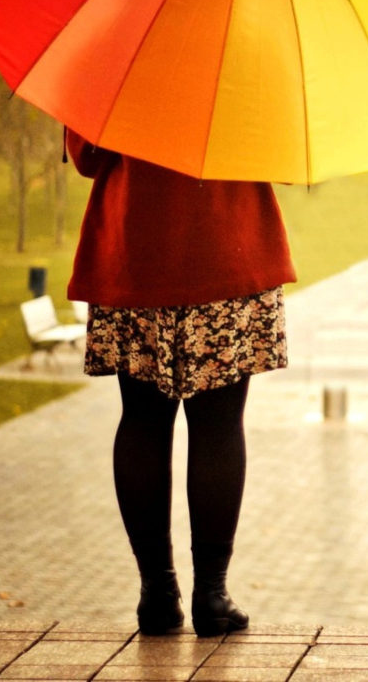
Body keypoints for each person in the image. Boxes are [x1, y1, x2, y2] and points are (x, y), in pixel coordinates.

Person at [66, 130, 296, 636]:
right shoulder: (246, 52)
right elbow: (282, 148)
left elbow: (86, 156)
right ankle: (211, 595)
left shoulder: (111, 54)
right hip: (224, 245)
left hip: (137, 250)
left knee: (143, 421)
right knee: (218, 425)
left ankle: (157, 592)